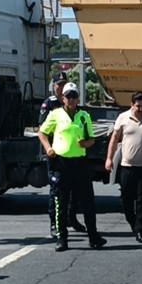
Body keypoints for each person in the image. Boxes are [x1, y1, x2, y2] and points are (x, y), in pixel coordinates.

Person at [38, 82, 106, 251]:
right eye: (68, 96)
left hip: (80, 163)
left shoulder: (84, 115)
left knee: (88, 201)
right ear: (63, 98)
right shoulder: (56, 114)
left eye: (74, 96)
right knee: (61, 200)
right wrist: (48, 148)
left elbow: (91, 139)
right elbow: (42, 132)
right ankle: (62, 238)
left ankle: (93, 237)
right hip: (61, 162)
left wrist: (86, 142)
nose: (72, 99)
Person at [105, 91, 142, 244]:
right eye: (138, 106)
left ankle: (140, 230)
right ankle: (132, 221)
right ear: (131, 105)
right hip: (127, 166)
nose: (141, 109)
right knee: (126, 198)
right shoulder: (123, 118)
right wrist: (109, 159)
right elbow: (114, 139)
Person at [39, 71, 85, 236]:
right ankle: (55, 223)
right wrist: (49, 149)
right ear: (54, 86)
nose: (60, 87)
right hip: (55, 155)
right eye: (58, 84)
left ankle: (71, 219)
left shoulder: (72, 104)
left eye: (63, 83)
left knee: (73, 190)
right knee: (56, 190)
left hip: (71, 155)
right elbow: (43, 130)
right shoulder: (50, 104)